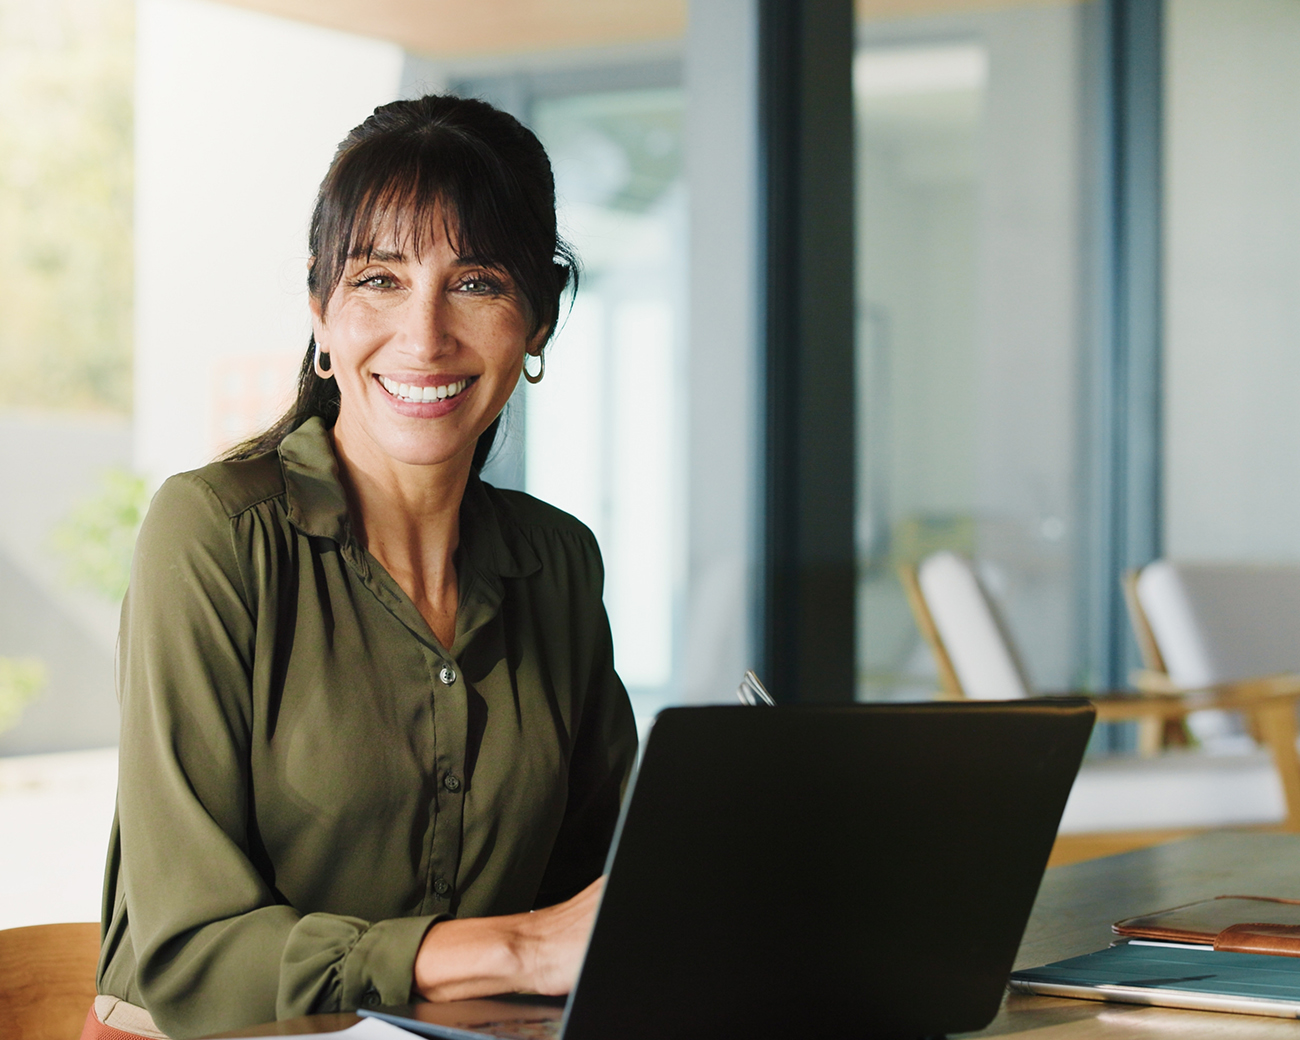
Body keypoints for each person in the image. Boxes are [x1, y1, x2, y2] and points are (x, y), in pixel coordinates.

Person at [88, 95, 638, 1040]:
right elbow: (189, 952)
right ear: (321, 314)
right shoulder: (213, 533)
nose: (424, 338)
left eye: (475, 283)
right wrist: (513, 950)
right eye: (380, 279)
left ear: (538, 320)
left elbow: (602, 898)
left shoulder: (557, 563)